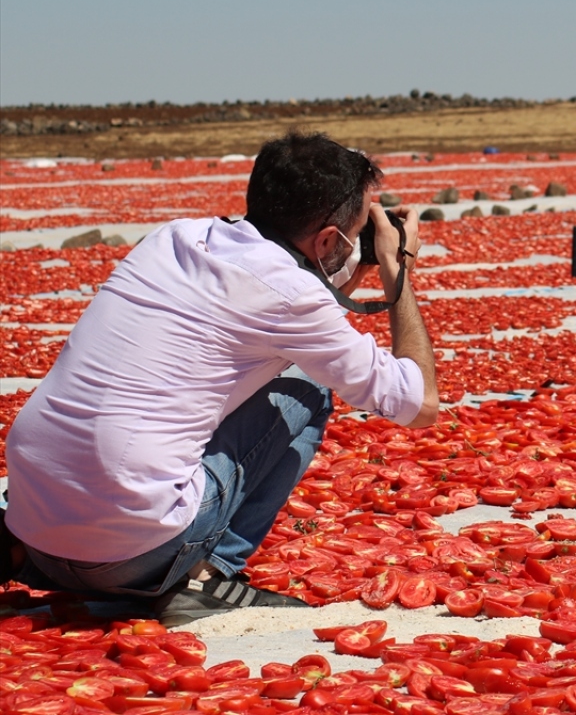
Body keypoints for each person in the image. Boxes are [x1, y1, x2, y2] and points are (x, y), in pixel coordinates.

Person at [0, 132, 438, 625]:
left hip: (32, 522)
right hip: (124, 558)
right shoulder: (292, 296)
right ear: (328, 241)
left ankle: (26, 552)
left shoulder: (174, 237)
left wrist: (338, 269)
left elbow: (253, 308)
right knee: (309, 389)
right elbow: (418, 403)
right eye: (354, 233)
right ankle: (211, 571)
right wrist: (399, 270)